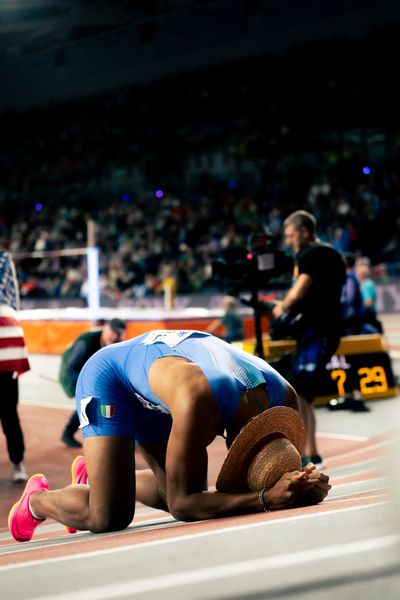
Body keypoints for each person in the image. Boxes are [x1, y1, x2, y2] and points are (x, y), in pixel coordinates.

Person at [8, 329, 331, 542]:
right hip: (111, 379)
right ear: (238, 442)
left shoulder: (285, 398)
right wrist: (265, 498)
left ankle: (106, 475)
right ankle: (37, 501)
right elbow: (184, 505)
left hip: (165, 373)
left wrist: (302, 481)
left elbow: (183, 497)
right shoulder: (199, 404)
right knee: (109, 515)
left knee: (179, 489)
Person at [272, 210, 346, 468]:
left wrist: (282, 307)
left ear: (304, 231)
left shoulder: (316, 255)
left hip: (320, 331)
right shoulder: (327, 254)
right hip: (317, 331)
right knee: (301, 393)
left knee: (297, 389)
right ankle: (310, 454)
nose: (290, 241)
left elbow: (300, 289)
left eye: (292, 236)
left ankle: (308, 455)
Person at [59, 318, 127, 447]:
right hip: (71, 373)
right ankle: (68, 434)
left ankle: (114, 435)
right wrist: (90, 384)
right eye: (112, 332)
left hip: (93, 376)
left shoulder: (118, 345)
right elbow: (70, 368)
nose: (114, 337)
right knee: (90, 401)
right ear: (106, 328)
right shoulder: (87, 341)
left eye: (118, 334)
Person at [0, 248, 31, 483]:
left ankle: (18, 461)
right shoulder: (5, 258)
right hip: (9, 336)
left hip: (6, 348)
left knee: (9, 413)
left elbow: (12, 298)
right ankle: (18, 462)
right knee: (10, 413)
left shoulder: (4, 258)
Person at [355, 258, 383, 333]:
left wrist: (356, 311)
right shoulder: (360, 284)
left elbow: (368, 303)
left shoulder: (367, 284)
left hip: (367, 317)